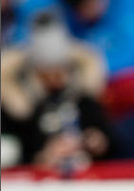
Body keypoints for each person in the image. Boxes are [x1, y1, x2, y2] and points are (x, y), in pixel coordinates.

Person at [0, 9, 114, 174]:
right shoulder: (19, 110)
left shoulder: (84, 101)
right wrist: (42, 156)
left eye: (61, 71)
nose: (56, 79)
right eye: (48, 73)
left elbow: (110, 139)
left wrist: (98, 141)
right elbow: (14, 151)